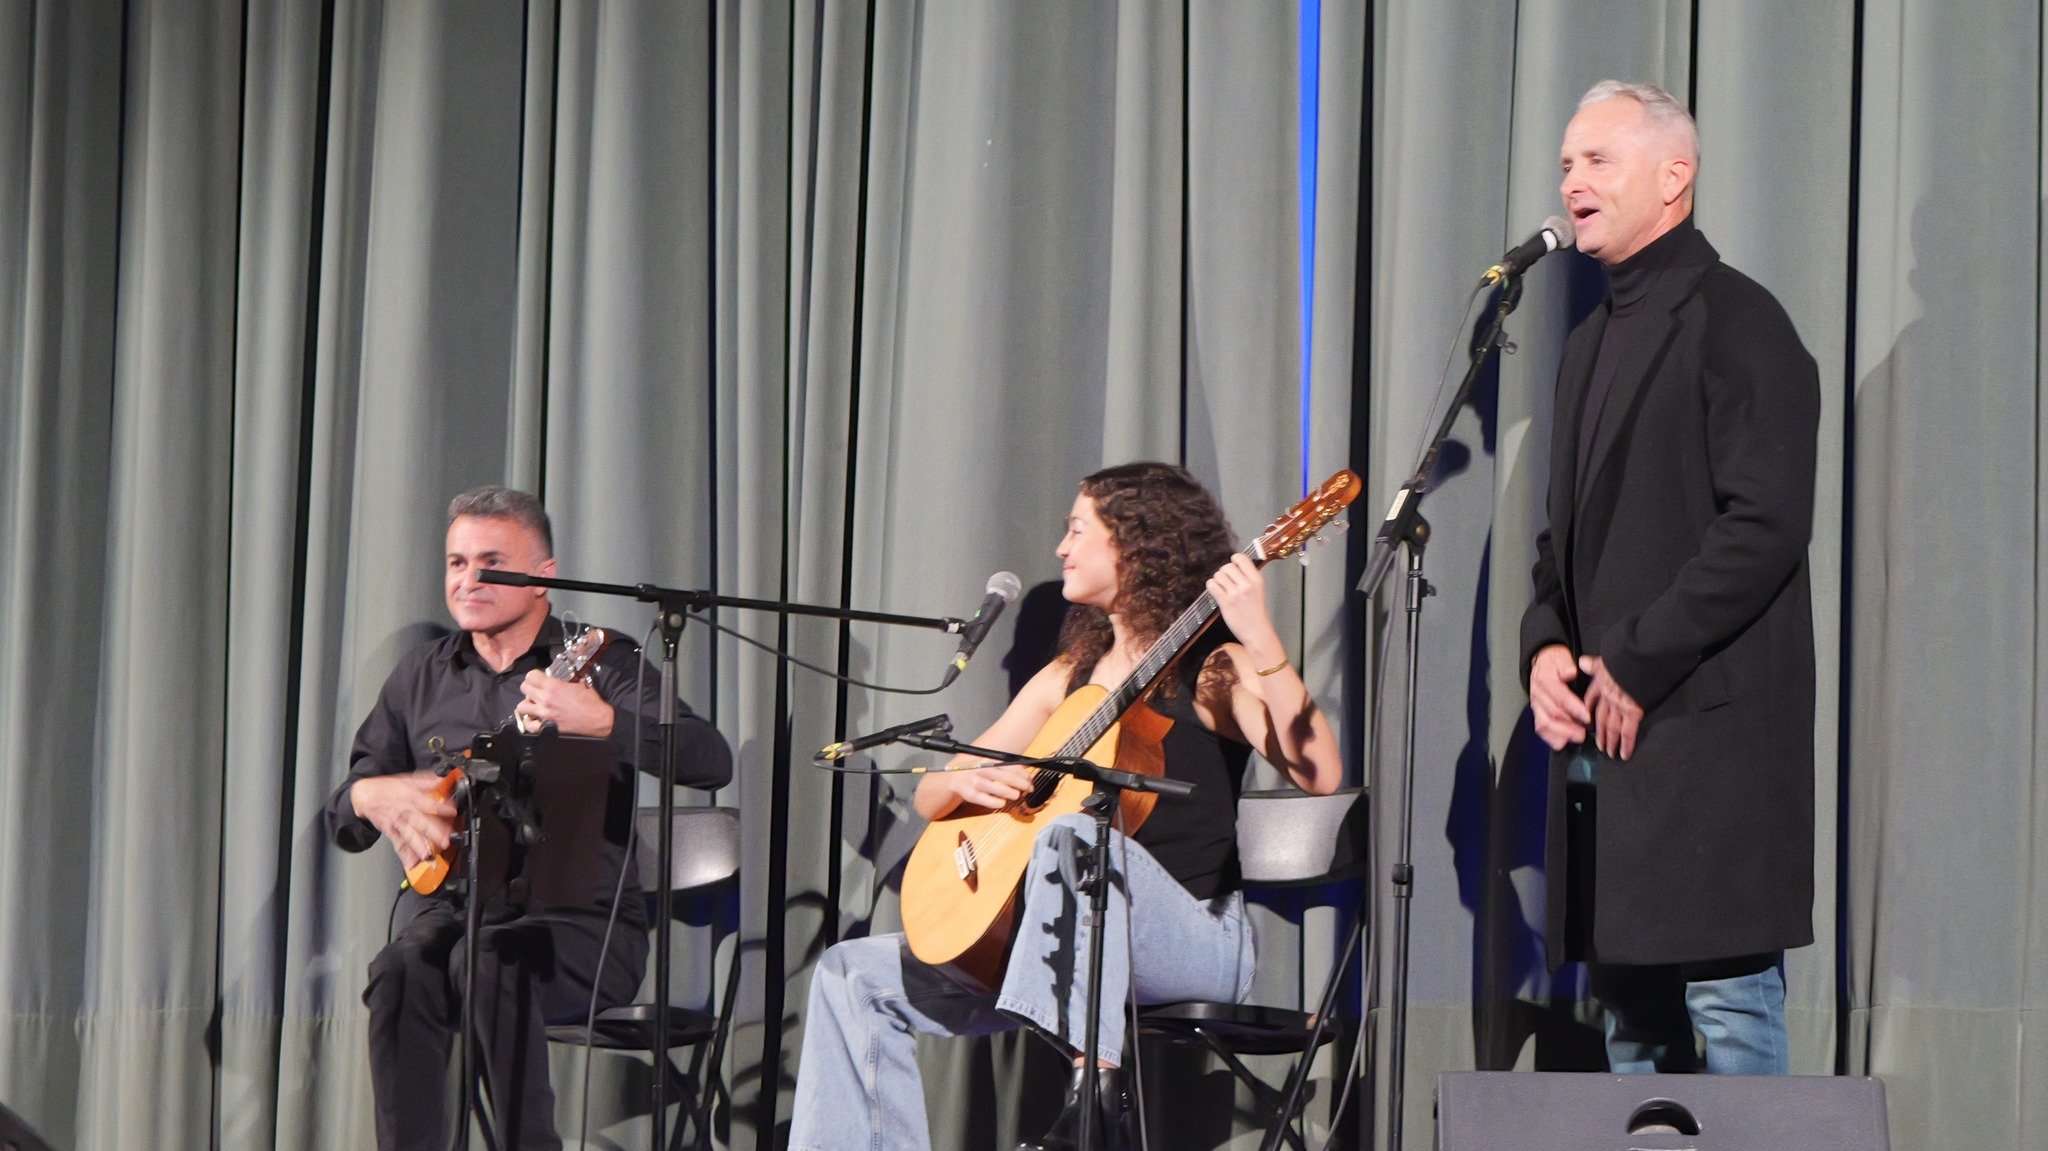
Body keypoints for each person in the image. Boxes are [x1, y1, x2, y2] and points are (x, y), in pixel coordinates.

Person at [788, 462, 1345, 1151]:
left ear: (1138, 543)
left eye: (1078, 529)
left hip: (1194, 936)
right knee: (851, 974)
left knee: (1072, 836)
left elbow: (1319, 771)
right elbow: (933, 792)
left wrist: (1261, 639)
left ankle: (1092, 1100)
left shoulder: (1209, 668)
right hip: (1050, 941)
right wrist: (978, 780)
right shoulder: (1067, 676)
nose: (1061, 549)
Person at [1520, 80, 1819, 1075]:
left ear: (1673, 175)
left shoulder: (1739, 323)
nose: (1571, 182)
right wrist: (1545, 646)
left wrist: (1635, 659)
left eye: (1596, 160)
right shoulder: (1586, 344)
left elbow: (1764, 524)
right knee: (1629, 1019)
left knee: (1727, 1008)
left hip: (1707, 738)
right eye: (1565, 163)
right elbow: (1560, 542)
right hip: (1609, 755)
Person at [323, 485, 733, 1151]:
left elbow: (711, 759)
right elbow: (347, 816)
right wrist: (368, 796)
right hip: (457, 914)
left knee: (490, 959)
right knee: (399, 970)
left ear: (544, 576)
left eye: (491, 562)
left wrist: (604, 720)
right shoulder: (419, 678)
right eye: (456, 562)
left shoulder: (603, 660)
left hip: (587, 924)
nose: (468, 579)